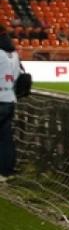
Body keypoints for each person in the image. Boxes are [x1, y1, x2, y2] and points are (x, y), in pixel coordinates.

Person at [0, 34, 20, 180]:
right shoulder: (14, 55)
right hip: (9, 98)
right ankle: (6, 171)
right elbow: (17, 75)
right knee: (6, 137)